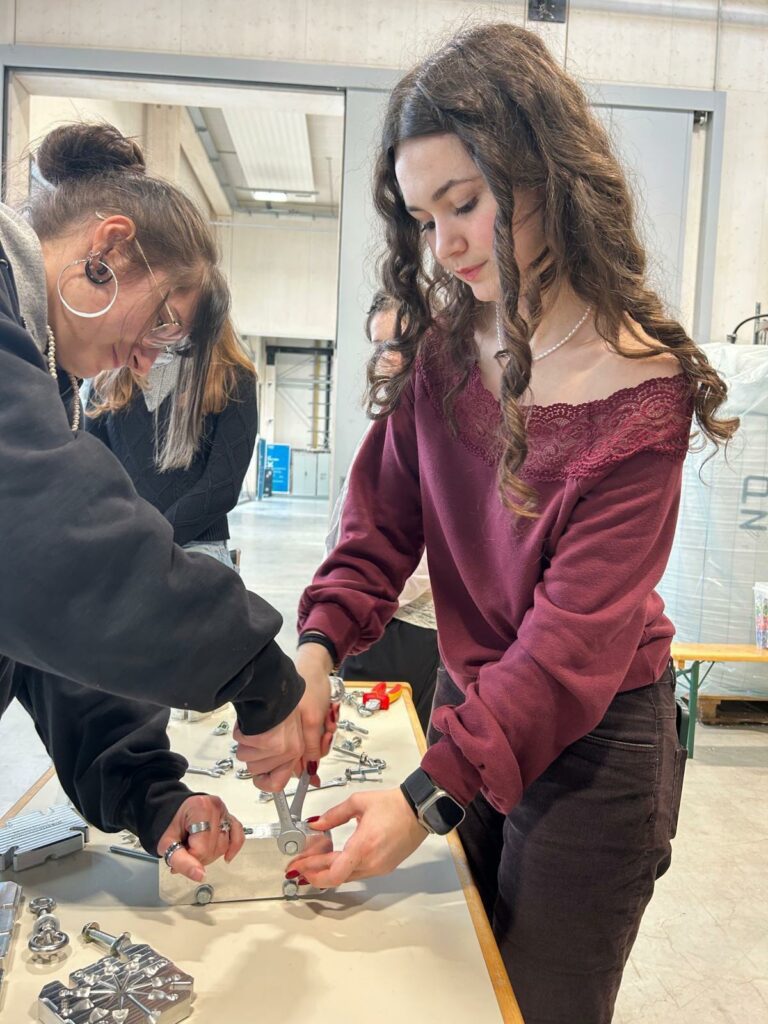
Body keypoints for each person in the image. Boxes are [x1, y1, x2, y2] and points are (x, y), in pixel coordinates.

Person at [274, 24, 738, 1024]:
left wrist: (426, 797)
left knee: (536, 1005)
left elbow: (567, 650)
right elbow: (377, 530)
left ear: (544, 175)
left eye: (465, 203)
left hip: (594, 745)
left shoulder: (641, 390)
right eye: (423, 216)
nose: (444, 245)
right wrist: (312, 655)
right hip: (473, 706)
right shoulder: (445, 352)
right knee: (448, 983)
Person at [0, 122, 331, 884]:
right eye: (158, 322)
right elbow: (52, 551)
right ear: (108, 249)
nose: (149, 357)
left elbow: (47, 629)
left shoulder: (45, 373)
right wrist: (255, 665)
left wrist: (147, 789)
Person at [328, 292, 439, 732]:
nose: (384, 358)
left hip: (400, 619)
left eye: (397, 344)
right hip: (374, 609)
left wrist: (367, 601)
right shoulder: (392, 415)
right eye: (378, 346)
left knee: (382, 741)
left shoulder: (435, 424)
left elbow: (428, 545)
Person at [86, 318, 258, 571]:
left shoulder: (232, 376)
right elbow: (94, 471)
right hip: (123, 539)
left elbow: (222, 487)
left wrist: (151, 540)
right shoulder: (108, 377)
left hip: (196, 546)